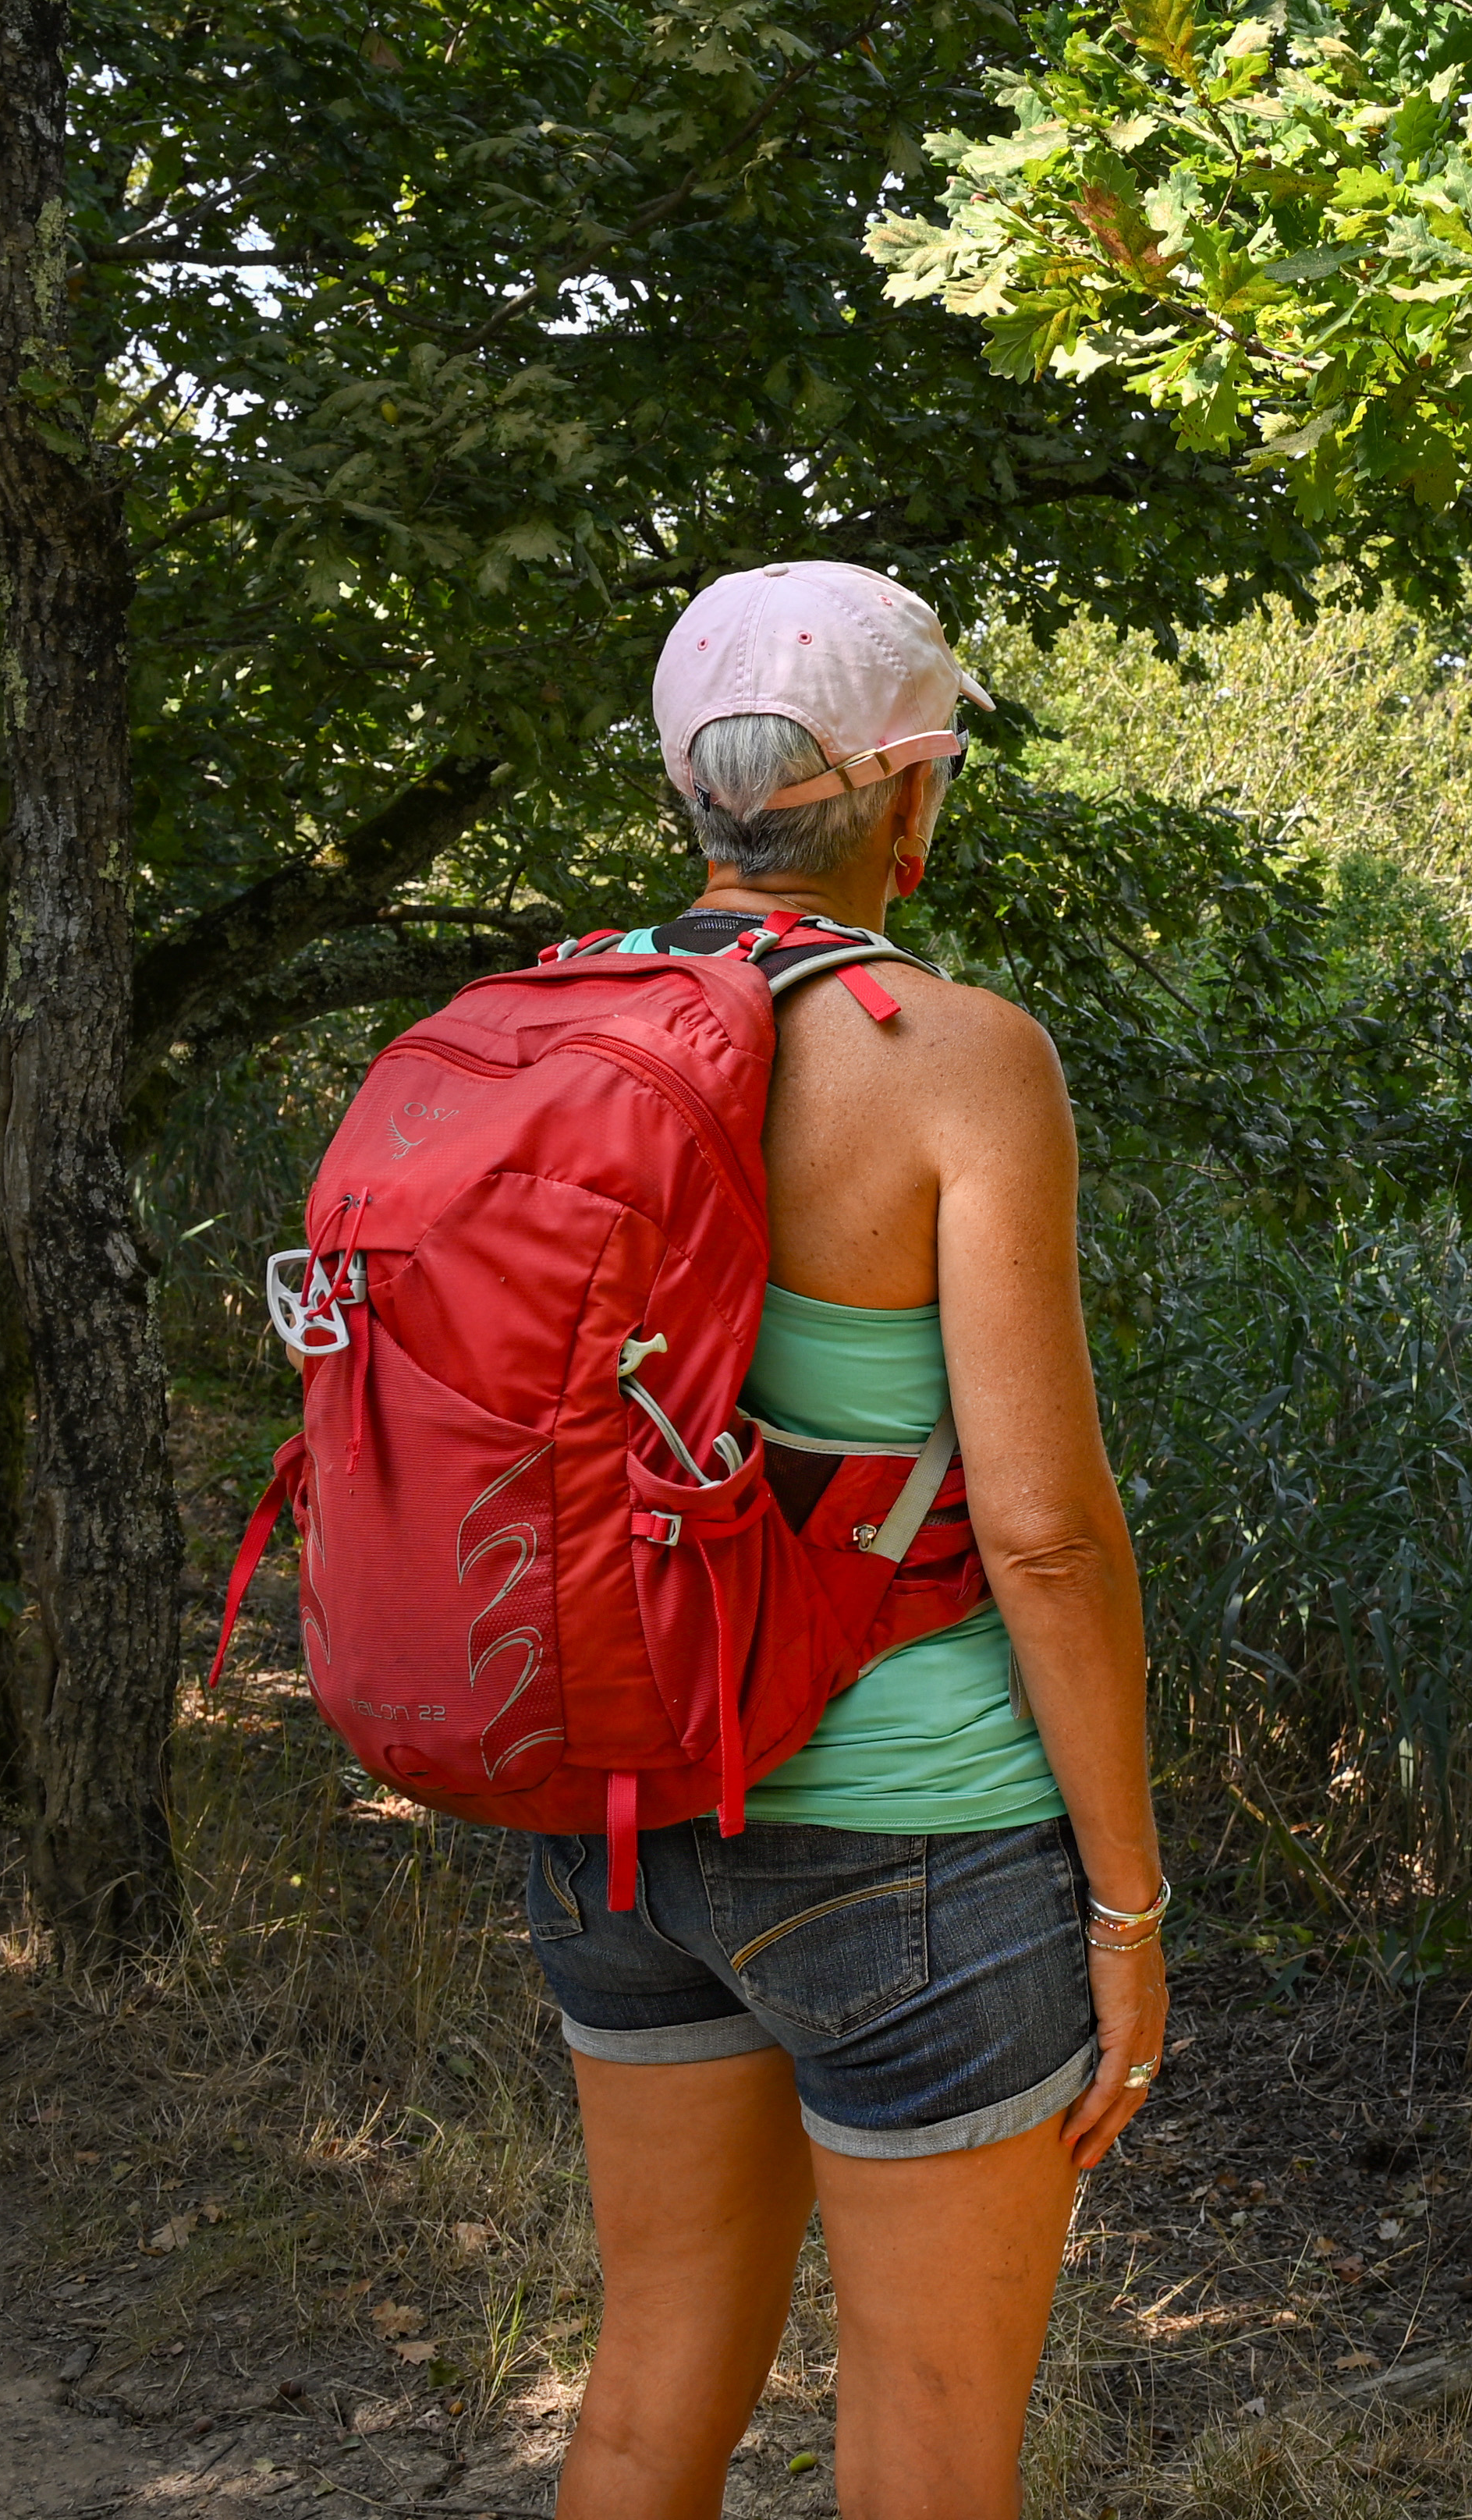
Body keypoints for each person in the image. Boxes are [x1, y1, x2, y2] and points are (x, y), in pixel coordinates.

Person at [530, 562, 1169, 2520]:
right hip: (915, 1843)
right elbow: (1046, 1537)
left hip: (618, 1799)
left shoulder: (557, 1022)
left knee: (647, 2398)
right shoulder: (953, 1054)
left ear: (688, 791)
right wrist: (1130, 1912)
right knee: (928, 2460)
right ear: (910, 798)